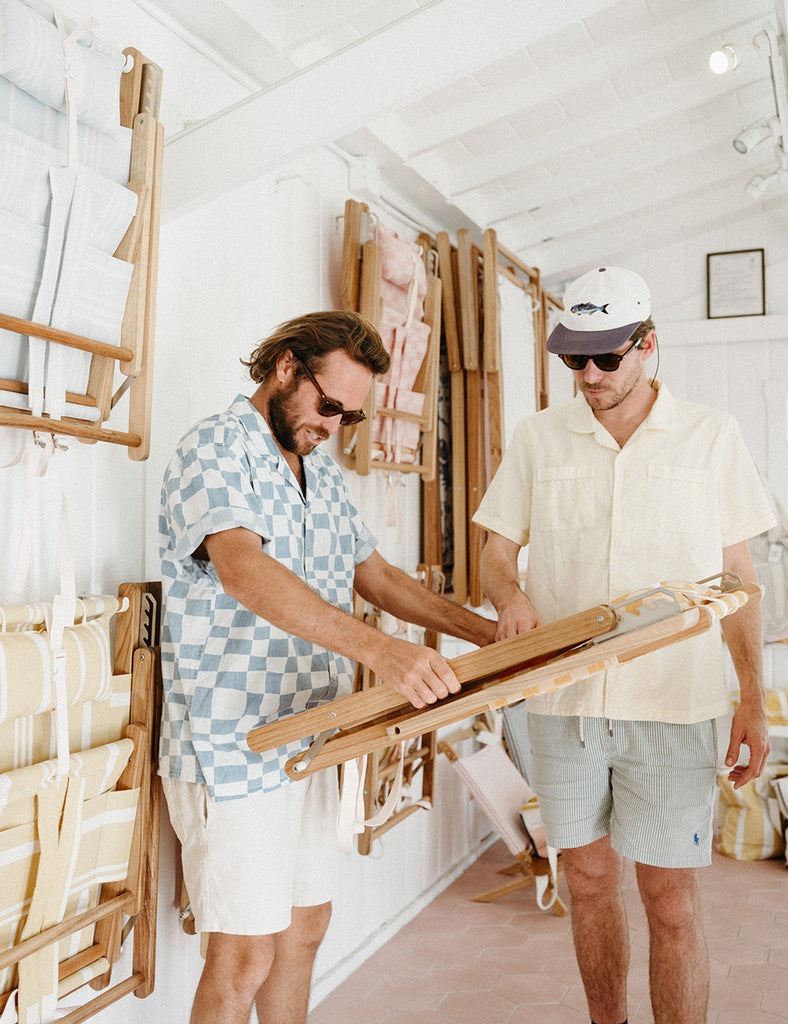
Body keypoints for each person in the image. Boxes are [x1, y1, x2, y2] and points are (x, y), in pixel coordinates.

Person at [158, 309, 496, 1024]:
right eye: (329, 404)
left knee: (305, 931)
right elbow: (243, 569)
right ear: (285, 367)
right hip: (233, 744)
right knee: (244, 955)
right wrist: (381, 650)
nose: (335, 425)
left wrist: (485, 633)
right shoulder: (215, 447)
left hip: (313, 737)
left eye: (350, 414)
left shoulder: (320, 470)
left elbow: (377, 577)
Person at [472, 266, 775, 1024]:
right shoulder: (539, 438)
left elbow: (739, 580)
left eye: (607, 357)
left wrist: (752, 701)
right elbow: (496, 549)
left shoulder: (712, 436)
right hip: (568, 702)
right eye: (575, 359)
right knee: (590, 885)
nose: (590, 375)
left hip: (677, 704)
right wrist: (510, 597)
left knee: (669, 898)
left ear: (648, 345)